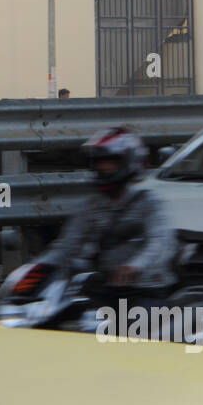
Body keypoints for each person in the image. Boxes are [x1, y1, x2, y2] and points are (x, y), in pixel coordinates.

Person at [32, 127, 176, 296]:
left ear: (127, 162)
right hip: (105, 287)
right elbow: (67, 245)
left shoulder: (147, 203)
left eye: (110, 162)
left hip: (147, 288)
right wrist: (35, 270)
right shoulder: (93, 206)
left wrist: (135, 266)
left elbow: (159, 241)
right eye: (99, 162)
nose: (103, 168)